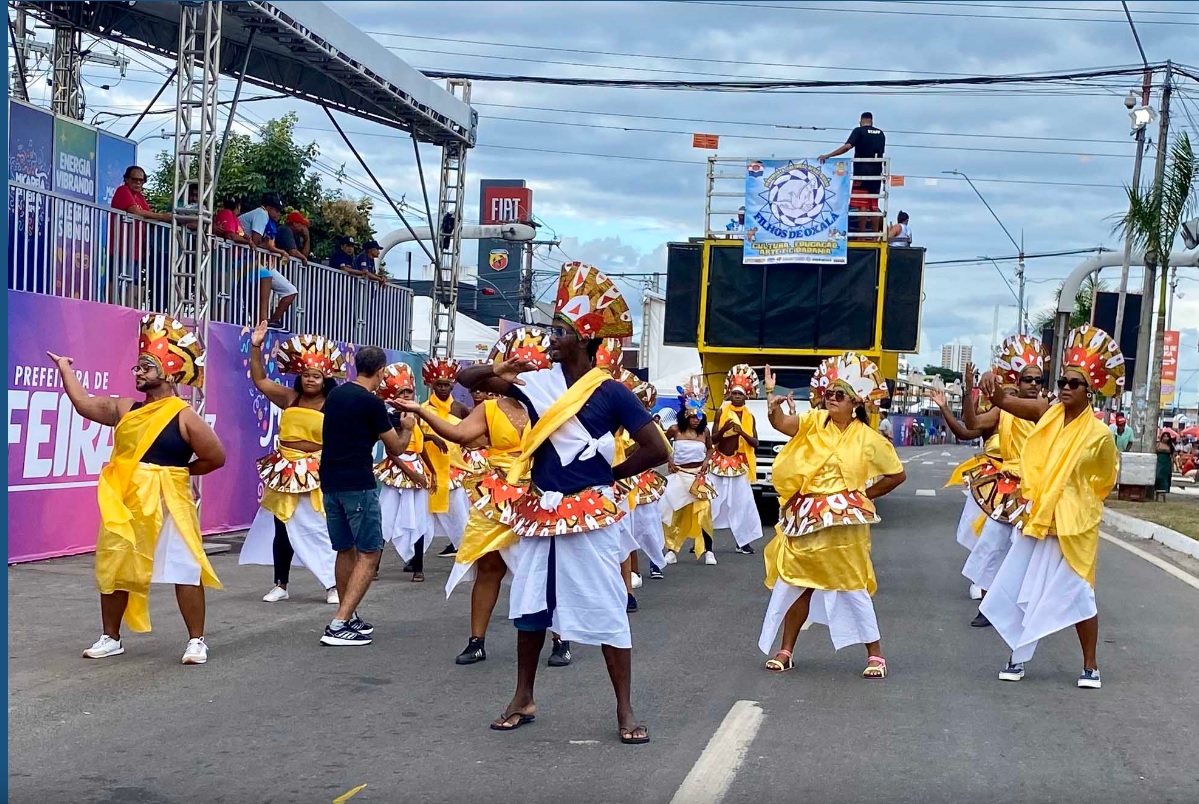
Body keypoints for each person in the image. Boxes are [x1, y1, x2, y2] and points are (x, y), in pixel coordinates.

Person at [457, 261, 668, 744]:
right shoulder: (536, 381)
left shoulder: (612, 391)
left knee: (607, 606)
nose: (549, 338)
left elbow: (657, 450)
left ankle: (624, 710)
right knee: (530, 605)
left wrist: (608, 476)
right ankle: (522, 697)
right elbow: (467, 377)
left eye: (559, 331)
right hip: (541, 510)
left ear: (586, 340)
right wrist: (497, 370)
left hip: (591, 515)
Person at [54, 314, 225, 664]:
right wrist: (65, 369)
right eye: (138, 366)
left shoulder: (183, 414)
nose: (138, 371)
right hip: (129, 501)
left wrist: (176, 473)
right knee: (115, 564)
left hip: (169, 500)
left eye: (146, 365)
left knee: (185, 567)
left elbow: (215, 457)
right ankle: (110, 637)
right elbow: (84, 404)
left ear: (169, 370)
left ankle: (197, 641)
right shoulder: (124, 409)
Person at [398, 328, 567, 666]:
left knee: (544, 569)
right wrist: (420, 411)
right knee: (488, 566)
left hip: (541, 495)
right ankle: (476, 641)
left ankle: (560, 639)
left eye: (533, 368)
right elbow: (458, 434)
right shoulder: (490, 408)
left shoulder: (557, 407)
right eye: (518, 368)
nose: (526, 374)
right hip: (497, 495)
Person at [978, 325, 1122, 689]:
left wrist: (1077, 501)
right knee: (1024, 585)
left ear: (1090, 391)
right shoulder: (1048, 414)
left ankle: (1090, 665)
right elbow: (1009, 404)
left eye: (1074, 383)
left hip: (1075, 525)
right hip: (1040, 517)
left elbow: (1105, 479)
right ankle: (1017, 655)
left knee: (1079, 594)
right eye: (1062, 381)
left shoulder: (1099, 435)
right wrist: (989, 391)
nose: (1066, 388)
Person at [759, 355, 906, 678]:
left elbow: (896, 475)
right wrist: (772, 400)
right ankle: (786, 650)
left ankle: (875, 654)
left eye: (839, 395)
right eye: (828, 392)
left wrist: (864, 496)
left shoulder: (869, 439)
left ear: (855, 403)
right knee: (798, 582)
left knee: (853, 585)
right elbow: (783, 425)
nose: (831, 398)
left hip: (845, 525)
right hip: (807, 516)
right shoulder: (813, 421)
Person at [239, 325, 343, 605]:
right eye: (306, 375)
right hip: (285, 468)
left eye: (316, 376)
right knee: (281, 526)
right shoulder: (289, 398)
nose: (310, 380)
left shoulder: (334, 404)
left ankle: (332, 583)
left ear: (325, 378)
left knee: (320, 528)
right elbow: (260, 380)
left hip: (316, 470)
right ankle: (281, 584)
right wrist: (257, 346)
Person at [318, 347, 415, 646]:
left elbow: (349, 430)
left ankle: (348, 614)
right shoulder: (371, 404)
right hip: (358, 483)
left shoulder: (336, 395)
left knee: (345, 549)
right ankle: (339, 623)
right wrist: (408, 428)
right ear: (381, 371)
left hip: (330, 482)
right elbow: (396, 448)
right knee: (370, 552)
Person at [372, 363, 435, 581]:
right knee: (385, 518)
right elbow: (392, 451)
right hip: (397, 471)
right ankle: (373, 567)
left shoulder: (413, 415)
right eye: (402, 392)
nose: (407, 395)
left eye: (409, 391)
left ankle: (417, 567)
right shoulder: (393, 416)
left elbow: (420, 446)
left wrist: (431, 471)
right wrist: (413, 474)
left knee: (419, 520)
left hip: (416, 468)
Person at [615, 371, 670, 583]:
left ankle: (655, 561)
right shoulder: (615, 425)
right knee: (630, 528)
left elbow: (661, 453)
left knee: (648, 525)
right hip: (622, 484)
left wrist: (636, 462)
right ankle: (633, 573)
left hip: (641, 481)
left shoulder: (647, 425)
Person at [659, 378, 719, 565]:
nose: (695, 420)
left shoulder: (705, 433)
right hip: (679, 476)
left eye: (698, 417)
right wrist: (669, 460)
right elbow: (662, 444)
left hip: (698, 477)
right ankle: (671, 550)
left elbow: (710, 449)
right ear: (685, 415)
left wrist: (706, 462)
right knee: (675, 512)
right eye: (692, 416)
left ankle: (709, 551)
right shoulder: (675, 430)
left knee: (704, 513)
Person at [421, 358, 472, 558]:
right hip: (429, 469)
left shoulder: (459, 408)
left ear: (453, 385)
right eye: (439, 385)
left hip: (454, 468)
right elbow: (415, 435)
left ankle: (464, 547)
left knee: (459, 513)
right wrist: (430, 437)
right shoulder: (423, 409)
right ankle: (416, 557)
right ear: (432, 385)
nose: (443, 388)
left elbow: (471, 434)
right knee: (422, 516)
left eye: (446, 385)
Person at [710, 365, 764, 556]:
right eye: (734, 393)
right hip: (719, 463)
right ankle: (704, 542)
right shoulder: (720, 412)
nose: (737, 397)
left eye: (740, 394)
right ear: (729, 394)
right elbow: (712, 440)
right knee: (711, 501)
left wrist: (742, 432)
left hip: (739, 464)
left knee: (743, 503)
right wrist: (724, 430)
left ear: (746, 396)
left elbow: (755, 443)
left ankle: (743, 542)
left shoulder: (750, 417)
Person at [818, 112, 886, 233]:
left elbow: (847, 147)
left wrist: (828, 155)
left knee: (862, 205)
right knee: (874, 204)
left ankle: (862, 234)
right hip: (876, 173)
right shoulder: (881, 134)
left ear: (860, 121)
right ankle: (875, 235)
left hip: (861, 172)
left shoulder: (858, 131)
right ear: (872, 121)